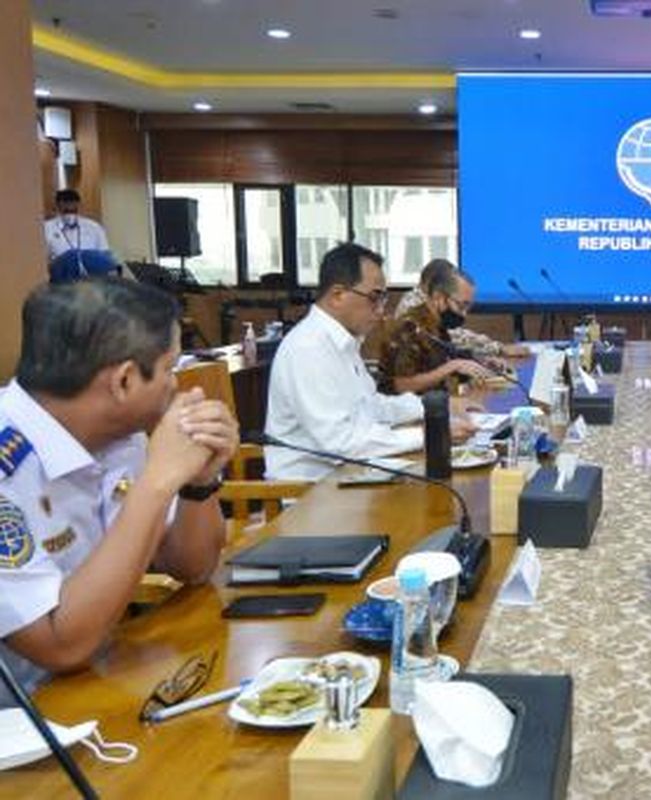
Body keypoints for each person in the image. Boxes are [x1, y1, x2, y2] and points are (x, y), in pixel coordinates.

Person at [0, 280, 236, 703]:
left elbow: (192, 565)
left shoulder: (120, 438)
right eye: (170, 369)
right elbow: (60, 646)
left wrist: (198, 483)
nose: (176, 387)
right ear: (124, 381)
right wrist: (159, 481)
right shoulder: (8, 466)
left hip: (92, 682)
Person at [264, 243, 475, 481]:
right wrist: (429, 435)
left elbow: (373, 407)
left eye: (384, 299)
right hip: (309, 493)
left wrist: (437, 407)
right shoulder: (308, 348)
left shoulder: (342, 342)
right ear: (337, 295)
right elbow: (341, 443)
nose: (382, 311)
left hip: (350, 476)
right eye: (375, 298)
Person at [382, 268, 493, 395]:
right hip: (410, 412)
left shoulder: (438, 325)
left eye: (468, 307)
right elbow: (398, 385)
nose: (464, 314)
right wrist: (450, 367)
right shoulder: (408, 327)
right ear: (438, 297)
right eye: (461, 306)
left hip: (438, 406)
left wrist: (480, 364)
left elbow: (439, 369)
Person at [395, 258, 529, 359]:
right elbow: (455, 339)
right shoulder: (412, 307)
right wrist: (498, 348)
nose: (464, 314)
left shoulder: (431, 305)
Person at [44, 189, 110, 262]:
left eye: (73, 207)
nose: (70, 208)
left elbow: (105, 255)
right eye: (66, 207)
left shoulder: (94, 227)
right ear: (57, 206)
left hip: (91, 271)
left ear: (79, 205)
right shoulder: (47, 228)